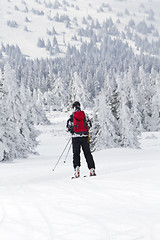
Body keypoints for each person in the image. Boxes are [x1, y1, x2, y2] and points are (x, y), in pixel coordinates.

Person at [66, 101, 96, 178]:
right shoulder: (84, 115)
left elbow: (68, 127)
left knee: (76, 154)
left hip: (75, 138)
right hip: (85, 137)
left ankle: (77, 170)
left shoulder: (72, 116)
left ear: (73, 107)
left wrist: (72, 131)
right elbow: (89, 125)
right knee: (87, 153)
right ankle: (92, 169)